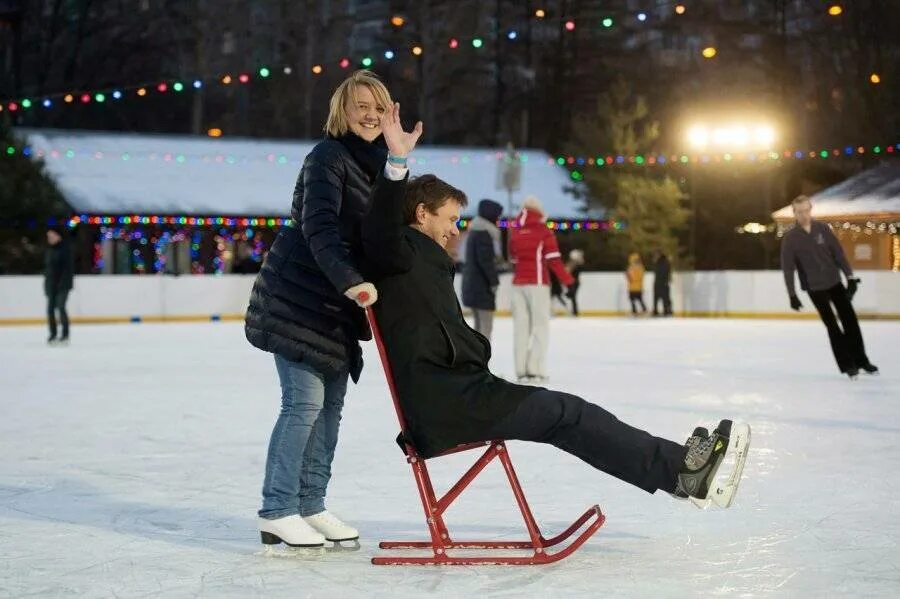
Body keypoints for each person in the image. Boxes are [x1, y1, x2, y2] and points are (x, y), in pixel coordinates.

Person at [361, 104, 750, 509]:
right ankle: (683, 471)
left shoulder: (422, 260)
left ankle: (681, 475)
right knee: (568, 413)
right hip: (448, 406)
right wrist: (397, 162)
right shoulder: (399, 252)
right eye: (450, 218)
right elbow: (378, 230)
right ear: (421, 214)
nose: (455, 229)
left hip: (461, 395)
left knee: (568, 415)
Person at [244, 70, 391, 550]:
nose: (369, 115)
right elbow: (320, 228)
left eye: (378, 107)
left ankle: (312, 504)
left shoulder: (379, 163)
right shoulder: (327, 156)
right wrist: (353, 281)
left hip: (334, 303)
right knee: (303, 405)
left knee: (330, 410)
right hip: (298, 297)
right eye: (360, 107)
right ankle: (278, 509)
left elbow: (389, 224)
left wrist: (402, 159)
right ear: (342, 112)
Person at [780, 195, 878, 379]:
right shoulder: (790, 238)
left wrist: (849, 277)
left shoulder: (823, 229)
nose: (804, 215)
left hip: (834, 282)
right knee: (832, 326)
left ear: (811, 209)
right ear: (794, 213)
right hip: (814, 288)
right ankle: (848, 365)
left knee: (850, 322)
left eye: (806, 210)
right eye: (799, 212)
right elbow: (788, 269)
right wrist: (792, 295)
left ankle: (862, 361)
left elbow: (838, 254)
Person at [508, 196, 574, 383]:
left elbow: (513, 260)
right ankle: (535, 368)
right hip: (537, 284)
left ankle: (521, 369)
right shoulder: (544, 231)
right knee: (540, 327)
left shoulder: (516, 232)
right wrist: (567, 280)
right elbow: (554, 260)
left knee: (521, 327)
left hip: (518, 284)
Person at [461, 199, 503, 341]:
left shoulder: (475, 231)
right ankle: (482, 362)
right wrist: (494, 282)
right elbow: (485, 261)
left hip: (473, 286)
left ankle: (478, 361)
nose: (498, 219)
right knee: (485, 330)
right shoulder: (483, 233)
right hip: (481, 288)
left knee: (478, 329)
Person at [44, 226, 74, 345]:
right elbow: (48, 270)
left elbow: (68, 270)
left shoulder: (65, 250)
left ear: (58, 236)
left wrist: (63, 284)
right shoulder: (49, 251)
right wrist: (46, 285)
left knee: (61, 307)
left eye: (51, 236)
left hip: (63, 285)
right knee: (50, 310)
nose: (49, 239)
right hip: (51, 285)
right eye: (48, 237)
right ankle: (53, 335)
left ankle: (65, 335)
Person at [652, 250, 673, 317]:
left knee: (665, 298)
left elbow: (666, 272)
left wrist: (667, 280)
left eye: (656, 255)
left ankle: (666, 310)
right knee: (656, 298)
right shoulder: (658, 262)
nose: (655, 256)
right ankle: (656, 311)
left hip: (663, 282)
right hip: (658, 282)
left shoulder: (665, 262)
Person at [565, 249, 585, 316]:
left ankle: (574, 311)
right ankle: (574, 311)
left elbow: (582, 262)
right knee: (572, 296)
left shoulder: (578, 263)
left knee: (573, 296)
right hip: (571, 282)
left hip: (576, 282)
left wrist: (580, 255)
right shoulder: (570, 263)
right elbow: (567, 271)